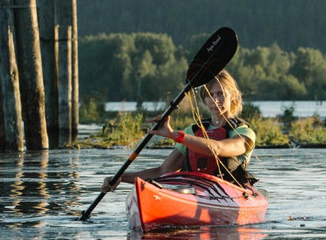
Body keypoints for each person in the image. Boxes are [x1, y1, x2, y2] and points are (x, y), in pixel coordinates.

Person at [102, 69, 258, 193]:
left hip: (229, 194)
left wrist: (176, 136)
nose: (215, 100)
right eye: (210, 95)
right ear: (204, 99)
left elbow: (218, 148)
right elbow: (162, 171)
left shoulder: (243, 132)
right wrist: (120, 177)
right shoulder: (192, 131)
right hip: (194, 193)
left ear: (232, 97)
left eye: (221, 94)